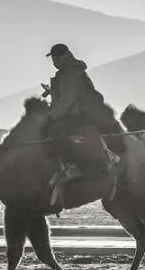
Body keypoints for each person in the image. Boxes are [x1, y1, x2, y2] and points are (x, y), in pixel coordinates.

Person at [43, 43, 124, 181]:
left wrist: (51, 116)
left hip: (77, 114)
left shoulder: (68, 72)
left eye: (54, 59)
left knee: (55, 131)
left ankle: (71, 166)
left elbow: (67, 99)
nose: (53, 62)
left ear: (60, 57)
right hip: (83, 111)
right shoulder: (74, 70)